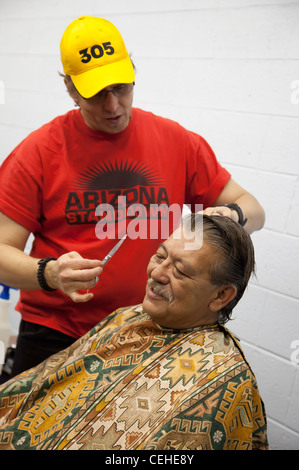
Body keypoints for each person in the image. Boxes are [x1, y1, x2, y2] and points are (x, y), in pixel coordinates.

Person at [0, 16, 265, 376]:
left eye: (121, 88)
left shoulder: (175, 141)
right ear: (70, 89)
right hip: (57, 332)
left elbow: (255, 210)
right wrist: (50, 273)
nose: (113, 106)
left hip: (148, 330)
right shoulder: (38, 152)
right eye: (96, 94)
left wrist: (231, 215)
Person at [0, 215, 268, 450]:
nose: (157, 273)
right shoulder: (127, 316)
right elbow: (38, 386)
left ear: (221, 295)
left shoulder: (225, 382)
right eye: (160, 256)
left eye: (181, 271)